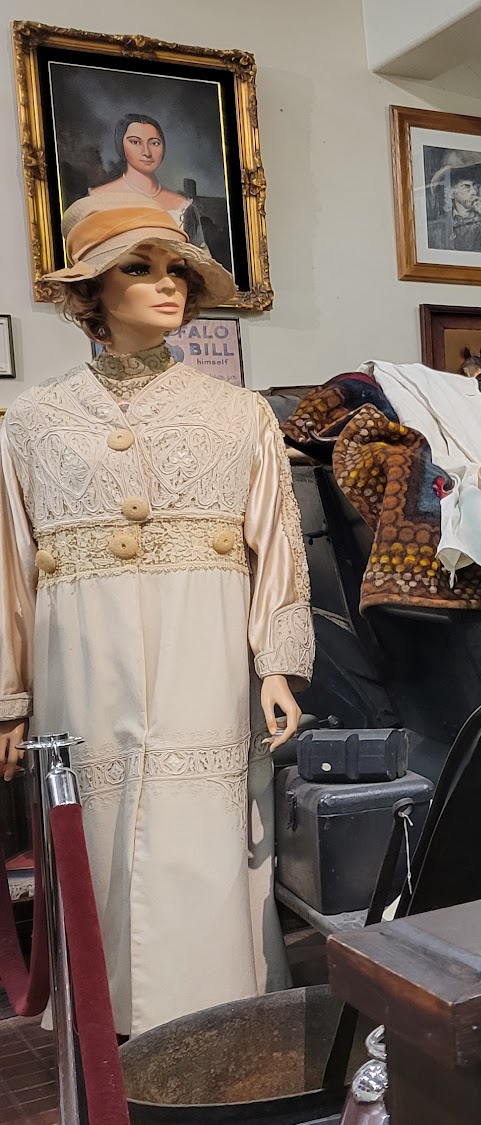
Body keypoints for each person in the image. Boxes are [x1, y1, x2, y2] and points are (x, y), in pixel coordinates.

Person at [0, 192, 312, 1036]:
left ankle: (214, 1010)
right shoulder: (30, 421)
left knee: (200, 827)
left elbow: (278, 547)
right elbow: (9, 567)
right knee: (95, 829)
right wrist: (11, 698)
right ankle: (107, 1026)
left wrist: (277, 664)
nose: (166, 284)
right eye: (138, 268)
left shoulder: (240, 414)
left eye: (177, 269)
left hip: (202, 643)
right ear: (91, 292)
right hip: (81, 653)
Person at [428, 157, 481, 254]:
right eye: (466, 187)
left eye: (474, 186)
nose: (474, 191)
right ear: (451, 193)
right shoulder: (439, 229)